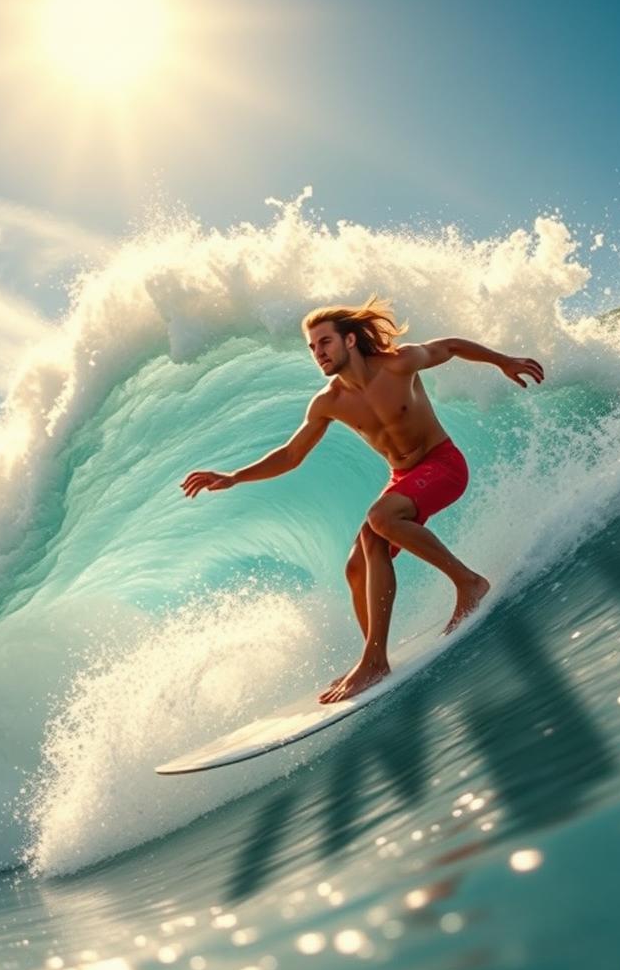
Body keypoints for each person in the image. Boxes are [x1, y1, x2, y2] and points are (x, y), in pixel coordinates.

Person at [182, 295, 544, 704]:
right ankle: (374, 658)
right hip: (405, 478)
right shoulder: (328, 402)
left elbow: (449, 347)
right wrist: (233, 477)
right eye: (312, 347)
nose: (318, 353)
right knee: (357, 565)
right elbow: (291, 454)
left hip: (443, 465)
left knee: (379, 518)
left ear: (350, 340)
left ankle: (468, 584)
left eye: (325, 343)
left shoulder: (398, 363)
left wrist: (502, 361)